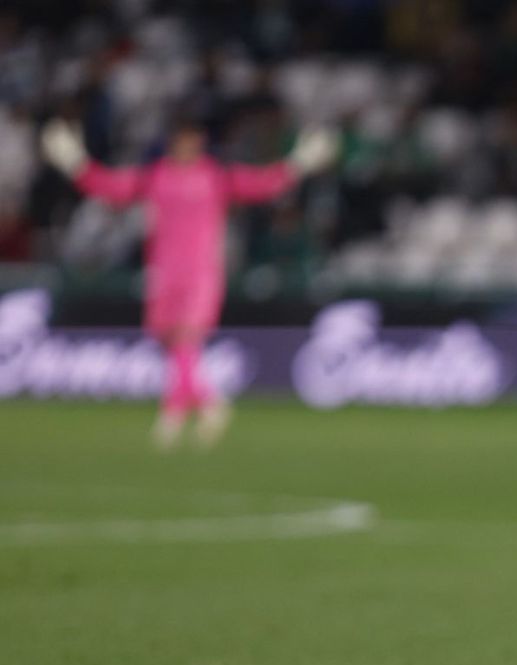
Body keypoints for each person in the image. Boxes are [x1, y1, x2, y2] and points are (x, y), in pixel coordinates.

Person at [39, 116, 337, 448]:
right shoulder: (156, 177)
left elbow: (263, 184)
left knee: (186, 338)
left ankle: (175, 414)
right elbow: (111, 188)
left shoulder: (215, 177)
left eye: (192, 140)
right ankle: (206, 404)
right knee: (169, 340)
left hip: (201, 272)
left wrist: (299, 163)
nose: (186, 147)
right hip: (164, 272)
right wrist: (74, 162)